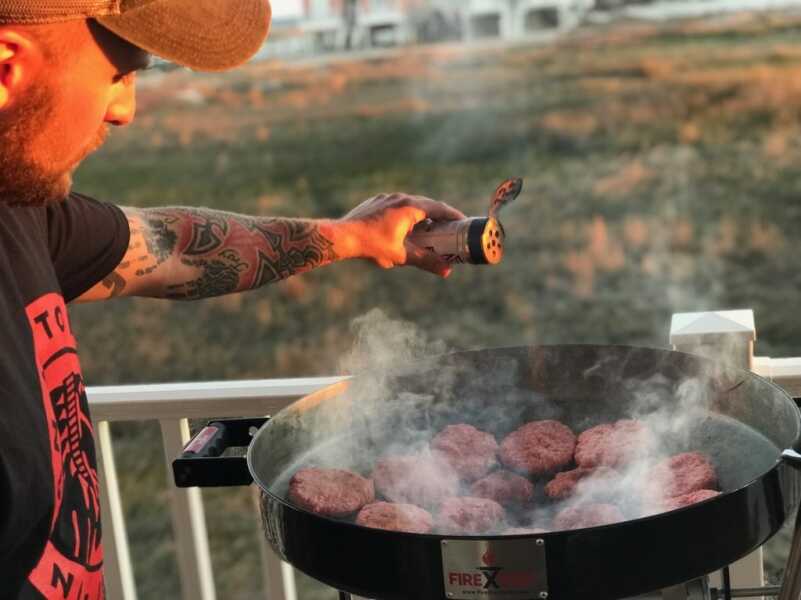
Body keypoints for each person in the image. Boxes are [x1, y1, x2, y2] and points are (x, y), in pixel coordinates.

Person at [0, 1, 465, 597]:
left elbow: (168, 246)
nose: (126, 110)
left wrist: (350, 235)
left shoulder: (20, 209)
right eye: (119, 74)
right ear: (8, 66)